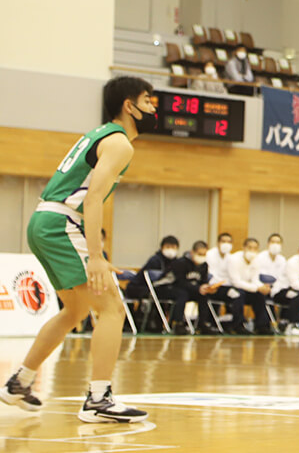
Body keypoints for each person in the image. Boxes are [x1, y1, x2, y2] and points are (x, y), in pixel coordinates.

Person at [1, 77, 155, 424]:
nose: (153, 107)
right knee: (113, 308)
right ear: (129, 105)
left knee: (74, 311)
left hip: (47, 221)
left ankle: (19, 382)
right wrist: (96, 256)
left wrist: (95, 253)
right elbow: (94, 196)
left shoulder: (98, 133)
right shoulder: (119, 143)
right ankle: (98, 399)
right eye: (148, 100)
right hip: (61, 223)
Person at [124, 236, 181, 329]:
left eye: (174, 247)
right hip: (139, 287)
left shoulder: (176, 262)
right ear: (162, 247)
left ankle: (167, 323)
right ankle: (145, 323)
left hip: (157, 288)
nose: (171, 250)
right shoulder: (155, 260)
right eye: (168, 247)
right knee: (157, 295)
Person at [168, 241, 220, 335]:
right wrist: (197, 288)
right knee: (182, 294)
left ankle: (203, 323)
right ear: (192, 252)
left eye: (204, 254)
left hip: (192, 289)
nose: (202, 257)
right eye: (199, 254)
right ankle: (178, 323)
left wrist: (207, 288)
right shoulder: (180, 263)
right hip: (174, 288)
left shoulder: (204, 265)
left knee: (203, 296)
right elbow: (179, 281)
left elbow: (203, 281)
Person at [227, 238, 273, 335]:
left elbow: (255, 279)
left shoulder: (256, 260)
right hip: (230, 288)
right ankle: (238, 326)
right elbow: (236, 282)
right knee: (239, 294)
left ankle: (261, 326)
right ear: (244, 248)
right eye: (250, 247)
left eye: (255, 248)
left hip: (248, 288)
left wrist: (263, 287)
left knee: (259, 295)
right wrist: (257, 288)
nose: (252, 251)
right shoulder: (233, 259)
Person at [205, 232, 248, 334]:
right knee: (236, 294)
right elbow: (210, 275)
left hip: (227, 286)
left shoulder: (231, 258)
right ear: (218, 243)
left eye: (229, 242)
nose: (226, 244)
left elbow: (233, 276)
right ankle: (234, 325)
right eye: (223, 241)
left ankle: (236, 324)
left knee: (239, 294)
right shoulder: (210, 255)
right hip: (213, 287)